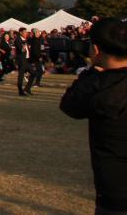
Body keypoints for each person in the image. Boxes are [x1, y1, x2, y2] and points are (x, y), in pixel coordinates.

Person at [60, 18, 127, 214]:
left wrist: (91, 72)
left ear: (96, 50)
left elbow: (70, 106)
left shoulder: (98, 85)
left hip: (115, 190)